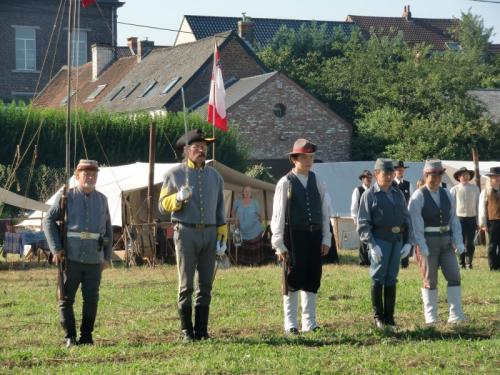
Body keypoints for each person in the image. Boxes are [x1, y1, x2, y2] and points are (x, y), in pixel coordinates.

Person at [158, 129, 227, 342]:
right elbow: (161, 206)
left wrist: (221, 235)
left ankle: (202, 330)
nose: (201, 151)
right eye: (197, 147)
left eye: (204, 147)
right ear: (186, 150)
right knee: (186, 284)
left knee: (206, 283)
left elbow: (220, 208)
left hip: (209, 233)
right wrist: (177, 199)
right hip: (185, 232)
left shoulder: (215, 176)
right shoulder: (174, 174)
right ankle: (187, 331)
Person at [43, 159, 112, 347]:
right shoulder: (66, 196)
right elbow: (48, 220)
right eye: (86, 173)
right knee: (66, 298)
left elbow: (107, 231)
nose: (90, 177)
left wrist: (107, 257)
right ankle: (70, 337)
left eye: (93, 174)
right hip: (70, 258)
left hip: (93, 260)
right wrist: (57, 249)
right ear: (77, 175)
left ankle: (87, 336)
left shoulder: (103, 200)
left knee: (91, 299)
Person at [271, 138, 330, 335]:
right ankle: (290, 323)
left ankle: (309, 322)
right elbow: (278, 214)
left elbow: (325, 210)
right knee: (292, 278)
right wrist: (278, 243)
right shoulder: (285, 182)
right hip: (293, 235)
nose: (308, 160)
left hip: (314, 235)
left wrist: (326, 238)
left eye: (311, 157)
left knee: (312, 277)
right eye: (304, 157)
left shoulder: (318, 180)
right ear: (294, 159)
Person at [357, 159, 413, 329]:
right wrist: (372, 244)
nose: (389, 176)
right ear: (376, 174)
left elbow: (407, 218)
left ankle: (389, 316)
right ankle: (378, 316)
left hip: (397, 240)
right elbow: (363, 222)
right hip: (380, 239)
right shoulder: (369, 195)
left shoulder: (398, 193)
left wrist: (409, 242)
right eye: (385, 173)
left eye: (391, 172)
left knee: (391, 278)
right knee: (378, 277)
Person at [409, 160, 466, 325]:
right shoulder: (418, 195)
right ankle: (431, 317)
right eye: (433, 175)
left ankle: (455, 315)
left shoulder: (447, 193)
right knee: (430, 280)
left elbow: (453, 219)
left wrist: (458, 240)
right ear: (426, 175)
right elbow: (416, 223)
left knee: (454, 276)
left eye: (439, 174)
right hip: (428, 241)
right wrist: (421, 244)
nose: (437, 178)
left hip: (446, 242)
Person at [450, 167, 480, 269]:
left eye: (467, 175)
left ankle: (469, 262)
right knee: (460, 241)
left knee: (470, 242)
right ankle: (461, 262)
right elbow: (452, 207)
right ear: (459, 177)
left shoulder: (475, 189)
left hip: (472, 218)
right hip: (459, 219)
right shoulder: (454, 189)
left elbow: (478, 205)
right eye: (463, 175)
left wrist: (478, 221)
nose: (465, 177)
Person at [233, 186, 264, 265]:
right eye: (246, 191)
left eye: (249, 191)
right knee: (243, 251)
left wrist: (260, 225)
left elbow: (260, 217)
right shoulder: (238, 202)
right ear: (243, 192)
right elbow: (233, 214)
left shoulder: (255, 202)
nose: (247, 193)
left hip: (255, 231)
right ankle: (244, 264)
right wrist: (236, 222)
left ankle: (255, 263)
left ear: (251, 193)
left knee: (254, 252)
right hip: (242, 231)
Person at [478, 166, 500, 271]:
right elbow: (482, 208)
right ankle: (493, 266)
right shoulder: (486, 192)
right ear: (491, 178)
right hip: (492, 222)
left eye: (498, 176)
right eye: (495, 177)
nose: (497, 179)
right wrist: (483, 224)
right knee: (492, 245)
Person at [393, 161, 414, 268]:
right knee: (395, 239)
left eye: (402, 170)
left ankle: (405, 263)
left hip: (405, 217)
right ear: (395, 171)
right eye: (399, 170)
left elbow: (412, 201)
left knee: (405, 238)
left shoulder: (408, 184)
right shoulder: (391, 184)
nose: (401, 172)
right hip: (394, 217)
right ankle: (395, 261)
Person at [351, 170, 373, 266]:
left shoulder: (373, 190)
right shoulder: (358, 190)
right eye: (366, 178)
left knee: (371, 240)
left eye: (370, 178)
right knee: (363, 241)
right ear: (362, 179)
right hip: (361, 219)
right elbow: (354, 207)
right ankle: (363, 261)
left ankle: (370, 260)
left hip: (372, 219)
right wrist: (355, 220)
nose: (369, 179)